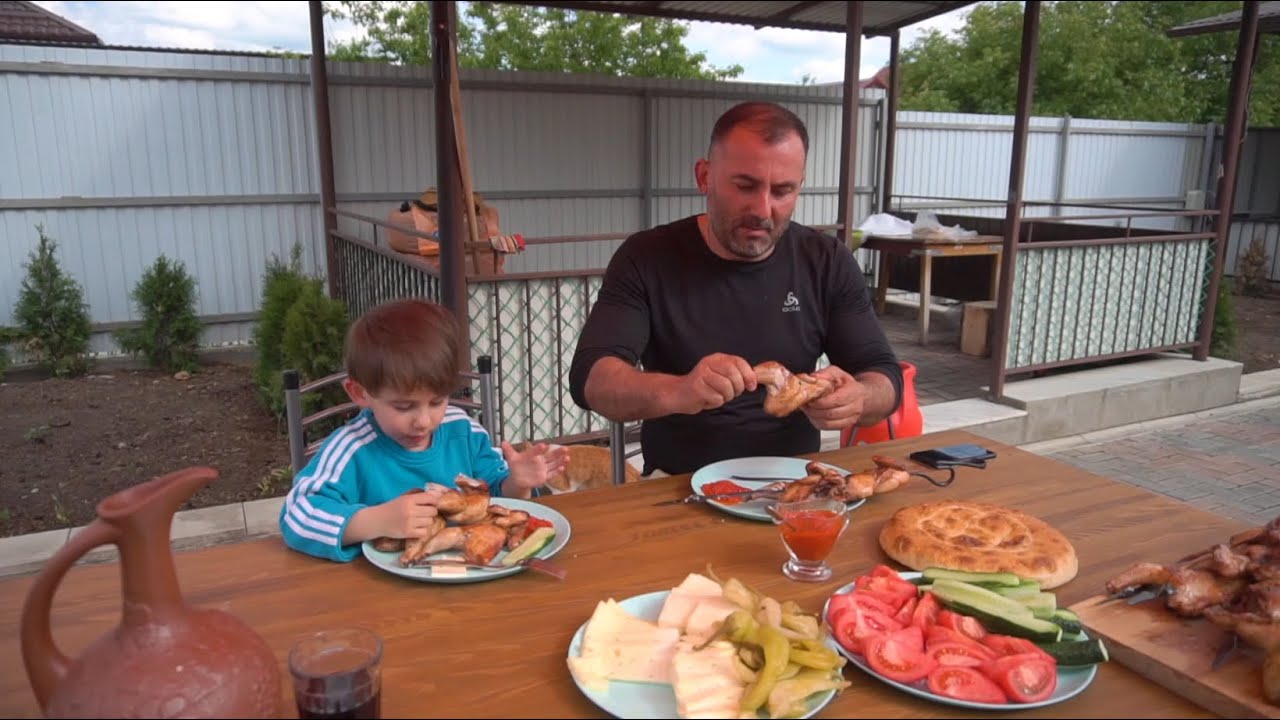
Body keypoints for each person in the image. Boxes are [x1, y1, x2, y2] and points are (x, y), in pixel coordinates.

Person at [568, 101, 903, 476]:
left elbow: (884, 377)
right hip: (676, 483)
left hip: (796, 481)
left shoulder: (826, 261)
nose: (762, 209)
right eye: (745, 186)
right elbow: (591, 378)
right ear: (704, 177)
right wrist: (680, 391)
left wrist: (859, 398)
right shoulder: (647, 257)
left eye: (782, 191)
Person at [279, 298, 566, 562]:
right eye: (404, 407)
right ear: (360, 393)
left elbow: (496, 498)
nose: (424, 421)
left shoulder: (463, 430)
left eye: (437, 401)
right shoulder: (350, 449)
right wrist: (375, 521)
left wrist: (518, 483)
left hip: (472, 582)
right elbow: (297, 515)